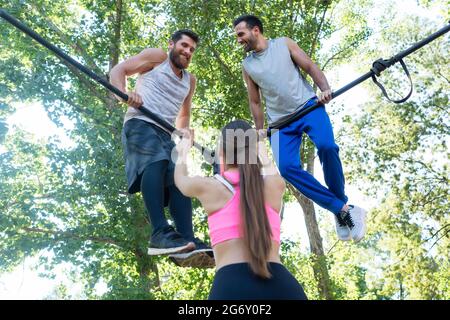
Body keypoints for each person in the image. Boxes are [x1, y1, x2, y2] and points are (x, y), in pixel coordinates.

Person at [232, 15, 367, 242]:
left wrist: (324, 89)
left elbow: (309, 65)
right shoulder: (248, 65)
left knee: (327, 147)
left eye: (240, 34)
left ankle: (339, 206)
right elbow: (255, 101)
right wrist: (259, 129)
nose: (238, 40)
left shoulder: (284, 44)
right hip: (280, 124)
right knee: (287, 168)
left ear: (255, 30)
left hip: (308, 107)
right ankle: (342, 208)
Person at [174, 120, 307, 299]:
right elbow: (267, 167)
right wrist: (261, 148)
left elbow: (180, 180)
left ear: (221, 154)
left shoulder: (211, 187)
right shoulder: (274, 185)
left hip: (231, 287)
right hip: (283, 287)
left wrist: (183, 147)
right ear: (254, 151)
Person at [109, 29, 211, 258]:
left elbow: (183, 114)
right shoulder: (157, 58)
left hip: (165, 133)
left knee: (179, 179)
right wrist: (123, 95)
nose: (187, 51)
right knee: (157, 161)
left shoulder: (189, 80)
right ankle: (159, 232)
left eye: (192, 50)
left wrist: (184, 129)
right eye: (184, 46)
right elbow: (119, 70)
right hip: (141, 123)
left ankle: (187, 239)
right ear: (171, 44)